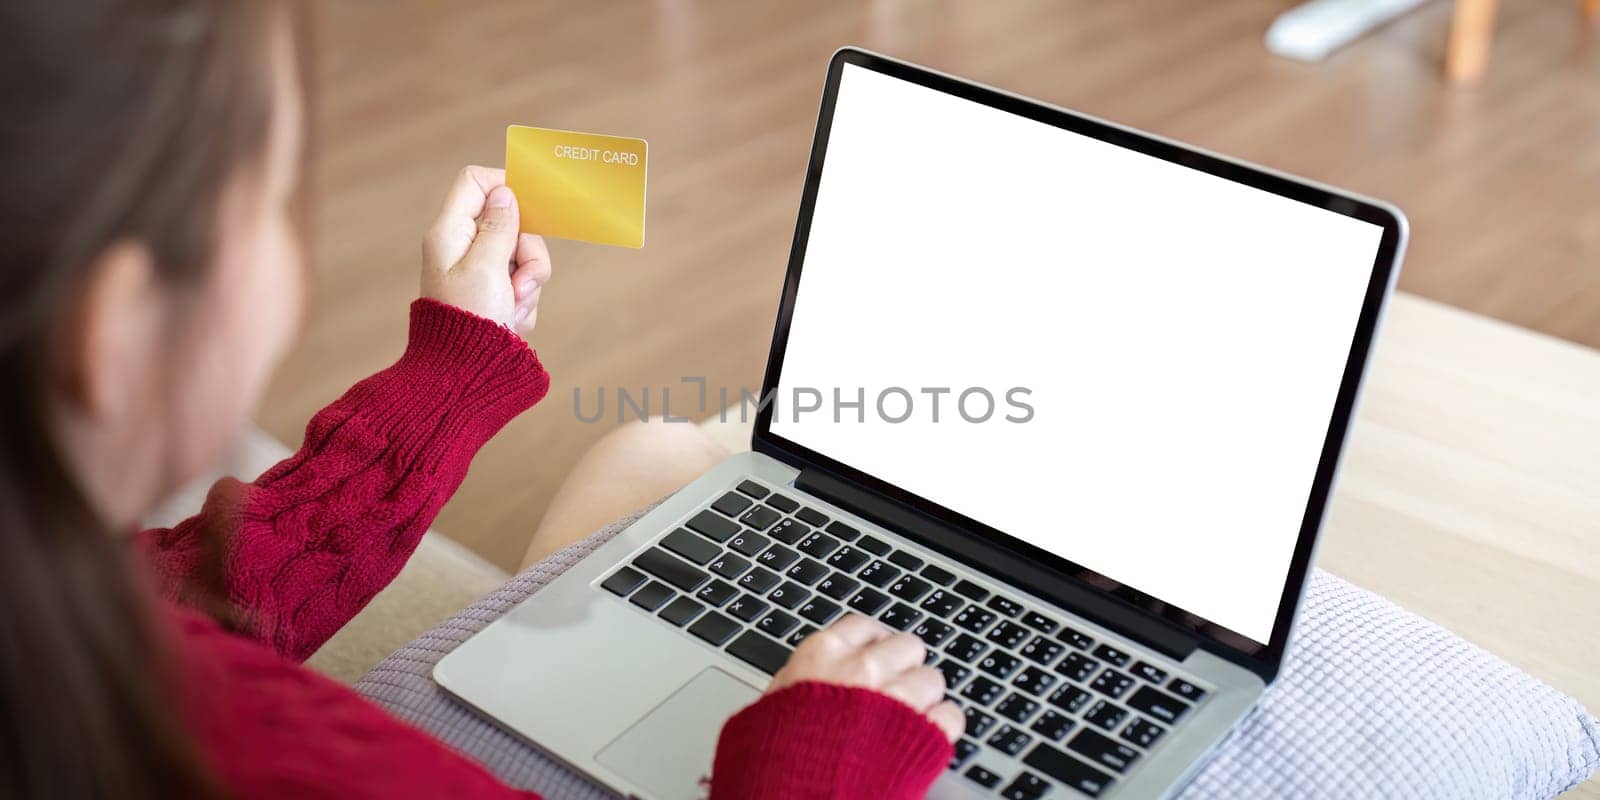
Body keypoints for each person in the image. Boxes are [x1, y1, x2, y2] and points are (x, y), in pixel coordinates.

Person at [0, 2, 965, 798]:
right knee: (689, 455)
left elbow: (198, 597)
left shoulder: (63, 621)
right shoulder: (252, 757)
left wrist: (453, 369)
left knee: (668, 457)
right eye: (273, 200)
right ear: (117, 332)